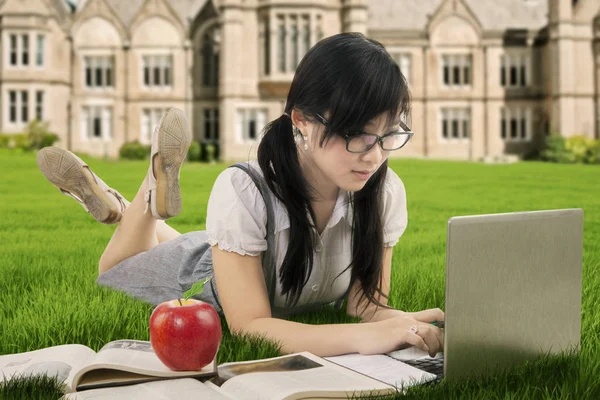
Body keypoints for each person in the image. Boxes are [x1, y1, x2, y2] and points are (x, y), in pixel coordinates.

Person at [37, 32, 444, 358]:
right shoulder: (243, 191)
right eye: (356, 135)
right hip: (232, 256)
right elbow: (250, 327)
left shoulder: (384, 191)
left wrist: (407, 323)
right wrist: (364, 339)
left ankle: (118, 206)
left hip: (237, 248)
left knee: (194, 241)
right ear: (301, 121)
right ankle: (150, 182)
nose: (373, 156)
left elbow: (365, 306)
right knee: (117, 265)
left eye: (388, 135)